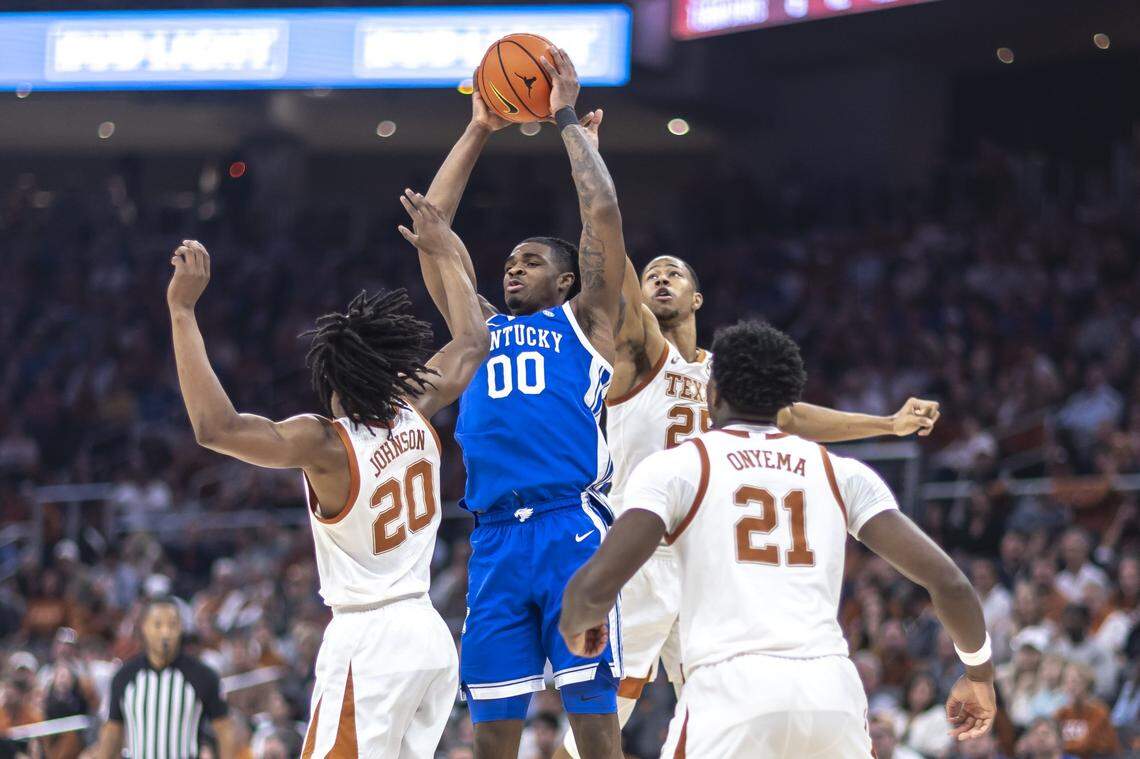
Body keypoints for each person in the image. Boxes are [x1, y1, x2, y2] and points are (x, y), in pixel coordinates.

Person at [562, 246, 942, 759]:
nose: (661, 279)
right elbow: (611, 253)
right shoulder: (638, 351)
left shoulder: (729, 374)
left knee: (711, 708)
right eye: (652, 275)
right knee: (606, 708)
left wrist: (888, 425)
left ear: (698, 298)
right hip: (643, 551)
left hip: (709, 556)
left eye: (674, 272)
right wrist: (596, 190)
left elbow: (791, 416)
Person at [164, 214, 488, 757]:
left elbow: (215, 428)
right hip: (430, 634)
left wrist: (181, 311)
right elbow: (473, 342)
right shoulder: (415, 407)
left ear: (331, 379)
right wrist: (447, 253)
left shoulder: (326, 443)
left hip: (370, 642)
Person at [413, 50, 628, 757]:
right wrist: (478, 127)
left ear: (567, 279)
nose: (511, 265)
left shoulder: (586, 322)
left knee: (594, 723)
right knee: (492, 733)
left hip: (571, 528)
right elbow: (432, 231)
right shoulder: (479, 331)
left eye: (529, 260)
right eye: (508, 259)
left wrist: (566, 117)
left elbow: (601, 211)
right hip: (496, 539)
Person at [90, 597, 236, 759]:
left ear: (181, 628)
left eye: (172, 625)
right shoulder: (124, 677)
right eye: (158, 625)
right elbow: (113, 731)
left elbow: (224, 729)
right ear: (144, 627)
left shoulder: (203, 675)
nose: (165, 633)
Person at [1052, 662, 1120, 758]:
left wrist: (1060, 748)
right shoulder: (1061, 713)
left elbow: (1085, 745)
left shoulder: (1099, 712)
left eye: (1075, 682)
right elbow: (1050, 741)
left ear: (1087, 685)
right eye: (1066, 682)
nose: (1070, 687)